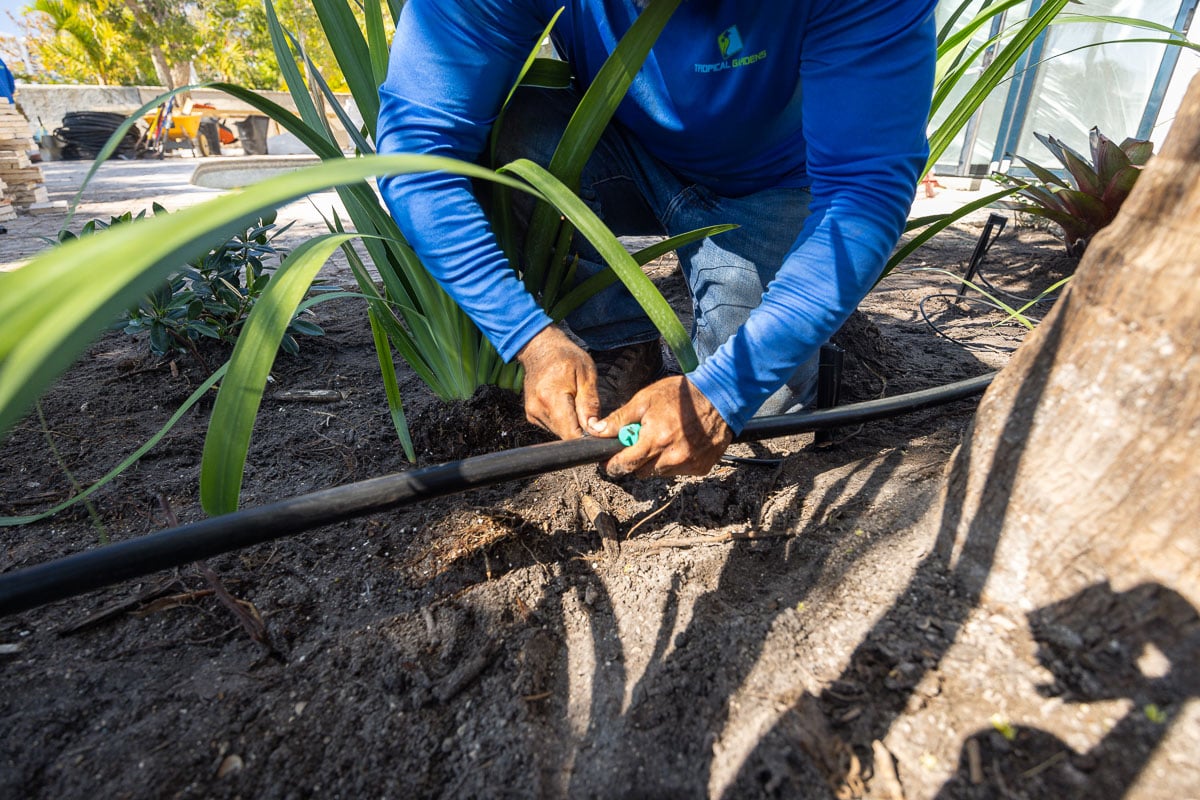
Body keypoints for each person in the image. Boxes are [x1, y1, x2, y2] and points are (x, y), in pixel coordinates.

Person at [377, 0, 936, 479]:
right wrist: (531, 339)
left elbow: (863, 190)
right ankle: (623, 341)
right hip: (623, 149)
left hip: (773, 181)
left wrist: (723, 390)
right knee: (523, 141)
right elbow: (416, 153)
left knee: (761, 420)